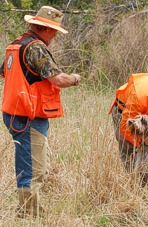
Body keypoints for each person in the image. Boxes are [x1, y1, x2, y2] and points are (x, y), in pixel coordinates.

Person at [0, 6, 81, 217]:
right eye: (54, 30)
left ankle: (26, 210)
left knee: (26, 163)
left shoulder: (15, 44)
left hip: (12, 112)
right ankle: (29, 214)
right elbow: (58, 79)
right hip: (28, 115)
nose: (54, 35)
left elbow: (4, 72)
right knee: (36, 169)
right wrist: (74, 79)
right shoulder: (36, 48)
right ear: (46, 29)